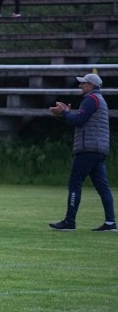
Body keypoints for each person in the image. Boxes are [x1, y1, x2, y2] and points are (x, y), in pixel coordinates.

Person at [49, 73, 115, 232]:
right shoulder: (100, 100)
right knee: (102, 187)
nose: (80, 86)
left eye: (83, 83)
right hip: (99, 149)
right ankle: (110, 223)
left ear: (91, 86)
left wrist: (63, 113)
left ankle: (70, 222)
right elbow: (80, 119)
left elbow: (79, 121)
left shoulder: (90, 99)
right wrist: (66, 114)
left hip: (88, 149)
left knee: (75, 183)